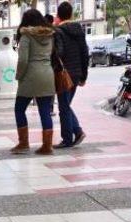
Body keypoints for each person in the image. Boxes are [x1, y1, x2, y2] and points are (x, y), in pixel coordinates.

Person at [10, 9, 56, 155]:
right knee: (45, 111)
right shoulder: (50, 35)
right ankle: (47, 146)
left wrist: (19, 75)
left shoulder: (26, 35)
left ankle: (24, 143)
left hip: (30, 76)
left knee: (19, 109)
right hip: (47, 75)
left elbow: (23, 60)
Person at [54, 1, 89, 148]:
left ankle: (69, 138)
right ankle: (76, 132)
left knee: (64, 107)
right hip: (76, 74)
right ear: (71, 14)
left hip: (64, 74)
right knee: (66, 105)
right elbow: (84, 53)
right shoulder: (79, 30)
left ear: (58, 15)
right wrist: (83, 76)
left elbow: (59, 53)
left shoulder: (58, 32)